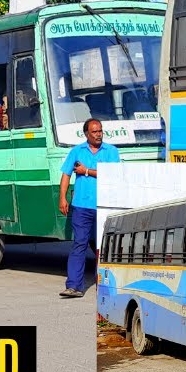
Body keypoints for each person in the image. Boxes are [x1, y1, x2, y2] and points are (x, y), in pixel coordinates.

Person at [58, 118, 120, 298]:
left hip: (105, 206)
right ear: (86, 134)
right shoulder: (77, 151)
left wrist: (86, 171)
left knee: (104, 246)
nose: (99, 134)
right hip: (81, 207)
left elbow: (112, 175)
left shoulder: (111, 151)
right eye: (95, 132)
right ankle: (74, 286)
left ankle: (105, 286)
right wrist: (62, 198)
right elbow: (66, 175)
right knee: (79, 244)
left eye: (100, 131)